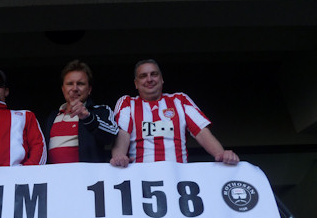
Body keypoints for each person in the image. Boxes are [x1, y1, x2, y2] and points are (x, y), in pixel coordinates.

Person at [110, 59, 239, 167]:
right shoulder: (127, 103)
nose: (149, 79)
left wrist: (221, 154)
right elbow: (122, 134)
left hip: (178, 176)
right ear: (136, 83)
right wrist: (119, 156)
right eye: (143, 76)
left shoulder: (180, 100)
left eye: (154, 74)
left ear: (161, 79)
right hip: (141, 177)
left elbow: (201, 133)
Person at [44, 60, 119, 163]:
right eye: (70, 84)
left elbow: (112, 136)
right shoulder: (52, 117)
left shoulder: (101, 111)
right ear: (63, 89)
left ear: (89, 89)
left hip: (87, 173)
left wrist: (88, 117)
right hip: (54, 173)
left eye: (80, 84)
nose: (75, 88)